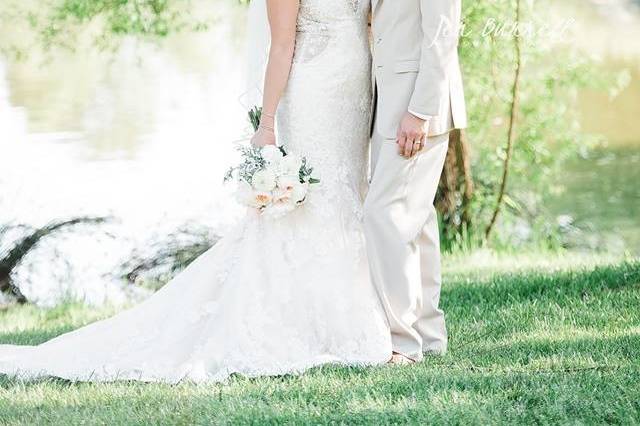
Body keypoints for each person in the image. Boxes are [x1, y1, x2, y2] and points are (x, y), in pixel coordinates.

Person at [0, 0, 394, 383]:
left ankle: (346, 305)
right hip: (313, 95)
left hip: (354, 96)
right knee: (314, 202)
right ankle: (309, 319)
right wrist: (268, 124)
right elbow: (281, 44)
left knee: (346, 196)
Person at [365, 0, 467, 364]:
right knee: (415, 219)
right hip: (388, 102)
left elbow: (442, 32)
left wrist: (420, 112)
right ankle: (429, 335)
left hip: (415, 107)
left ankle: (402, 343)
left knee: (382, 215)